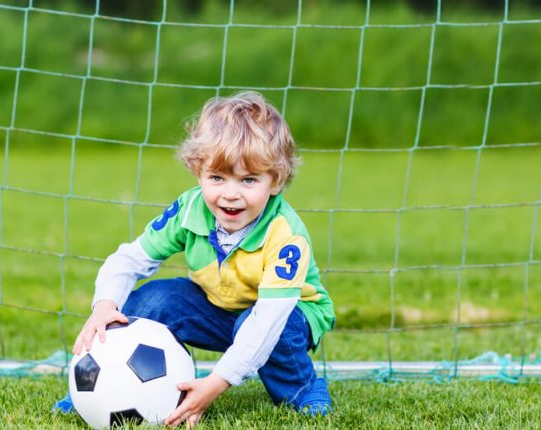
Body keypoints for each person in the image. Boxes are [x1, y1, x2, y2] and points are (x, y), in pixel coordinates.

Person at [55, 91, 335, 427]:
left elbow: (267, 321)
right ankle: (95, 390)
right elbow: (129, 259)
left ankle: (303, 389)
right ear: (197, 170)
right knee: (152, 300)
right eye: (217, 178)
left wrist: (216, 383)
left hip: (287, 315)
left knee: (267, 326)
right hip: (218, 306)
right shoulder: (189, 210)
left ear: (274, 181)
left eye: (248, 180)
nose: (231, 193)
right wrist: (104, 305)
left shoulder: (286, 234)